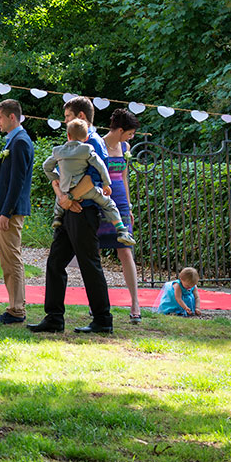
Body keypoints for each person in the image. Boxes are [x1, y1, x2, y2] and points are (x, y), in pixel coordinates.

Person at [30, 96, 114, 334]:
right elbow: (56, 172)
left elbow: (93, 178)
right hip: (70, 209)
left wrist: (70, 199)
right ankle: (54, 317)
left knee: (89, 263)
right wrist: (62, 197)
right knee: (55, 262)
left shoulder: (93, 143)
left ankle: (103, 319)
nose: (64, 121)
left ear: (81, 117)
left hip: (84, 211)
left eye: (67, 117)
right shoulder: (72, 145)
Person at [43, 118, 136, 245]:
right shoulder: (87, 149)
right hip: (86, 189)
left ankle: (57, 217)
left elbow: (46, 166)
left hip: (66, 188)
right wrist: (106, 183)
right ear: (86, 137)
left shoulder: (58, 151)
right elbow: (101, 167)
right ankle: (121, 230)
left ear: (68, 135)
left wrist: (56, 178)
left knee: (60, 197)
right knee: (108, 204)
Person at [0, 99, 34, 324]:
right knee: (7, 260)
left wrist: (6, 212)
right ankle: (14, 306)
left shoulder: (21, 142)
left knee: (12, 260)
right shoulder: (10, 141)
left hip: (10, 212)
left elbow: (18, 182)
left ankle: (17, 309)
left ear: (12, 117)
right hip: (4, 209)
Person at [100, 108, 143, 323]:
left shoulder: (125, 147)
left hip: (121, 204)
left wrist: (129, 205)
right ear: (119, 130)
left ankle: (135, 303)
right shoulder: (97, 144)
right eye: (130, 133)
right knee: (94, 251)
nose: (131, 137)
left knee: (126, 251)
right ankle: (97, 302)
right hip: (101, 202)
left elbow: (125, 177)